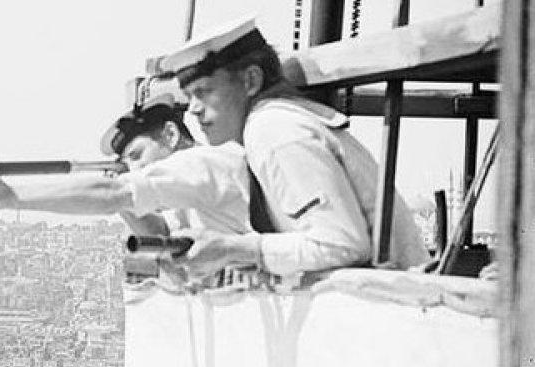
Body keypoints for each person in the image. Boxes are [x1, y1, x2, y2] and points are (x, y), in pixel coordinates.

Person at [150, 18, 430, 278]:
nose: (194, 110)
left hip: (396, 304)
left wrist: (234, 249)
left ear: (250, 81)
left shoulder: (274, 129)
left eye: (204, 91)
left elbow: (342, 244)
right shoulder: (274, 123)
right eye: (189, 97)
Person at [0, 76, 253, 240]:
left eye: (138, 155)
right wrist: (126, 206)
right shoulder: (187, 192)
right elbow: (159, 234)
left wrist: (8, 196)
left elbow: (112, 194)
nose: (135, 169)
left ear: (170, 136)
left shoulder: (203, 164)